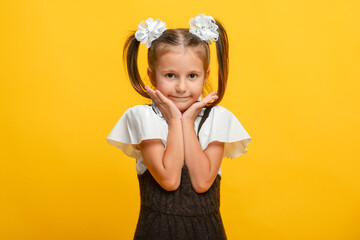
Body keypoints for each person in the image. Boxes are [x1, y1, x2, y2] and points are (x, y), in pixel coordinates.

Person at [106, 13, 252, 240]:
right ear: (152, 76)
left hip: (207, 232)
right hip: (156, 231)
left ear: (205, 77)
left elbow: (202, 182)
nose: (181, 87)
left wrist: (187, 123)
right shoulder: (144, 117)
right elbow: (170, 179)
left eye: (192, 75)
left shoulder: (218, 119)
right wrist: (176, 120)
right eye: (170, 75)